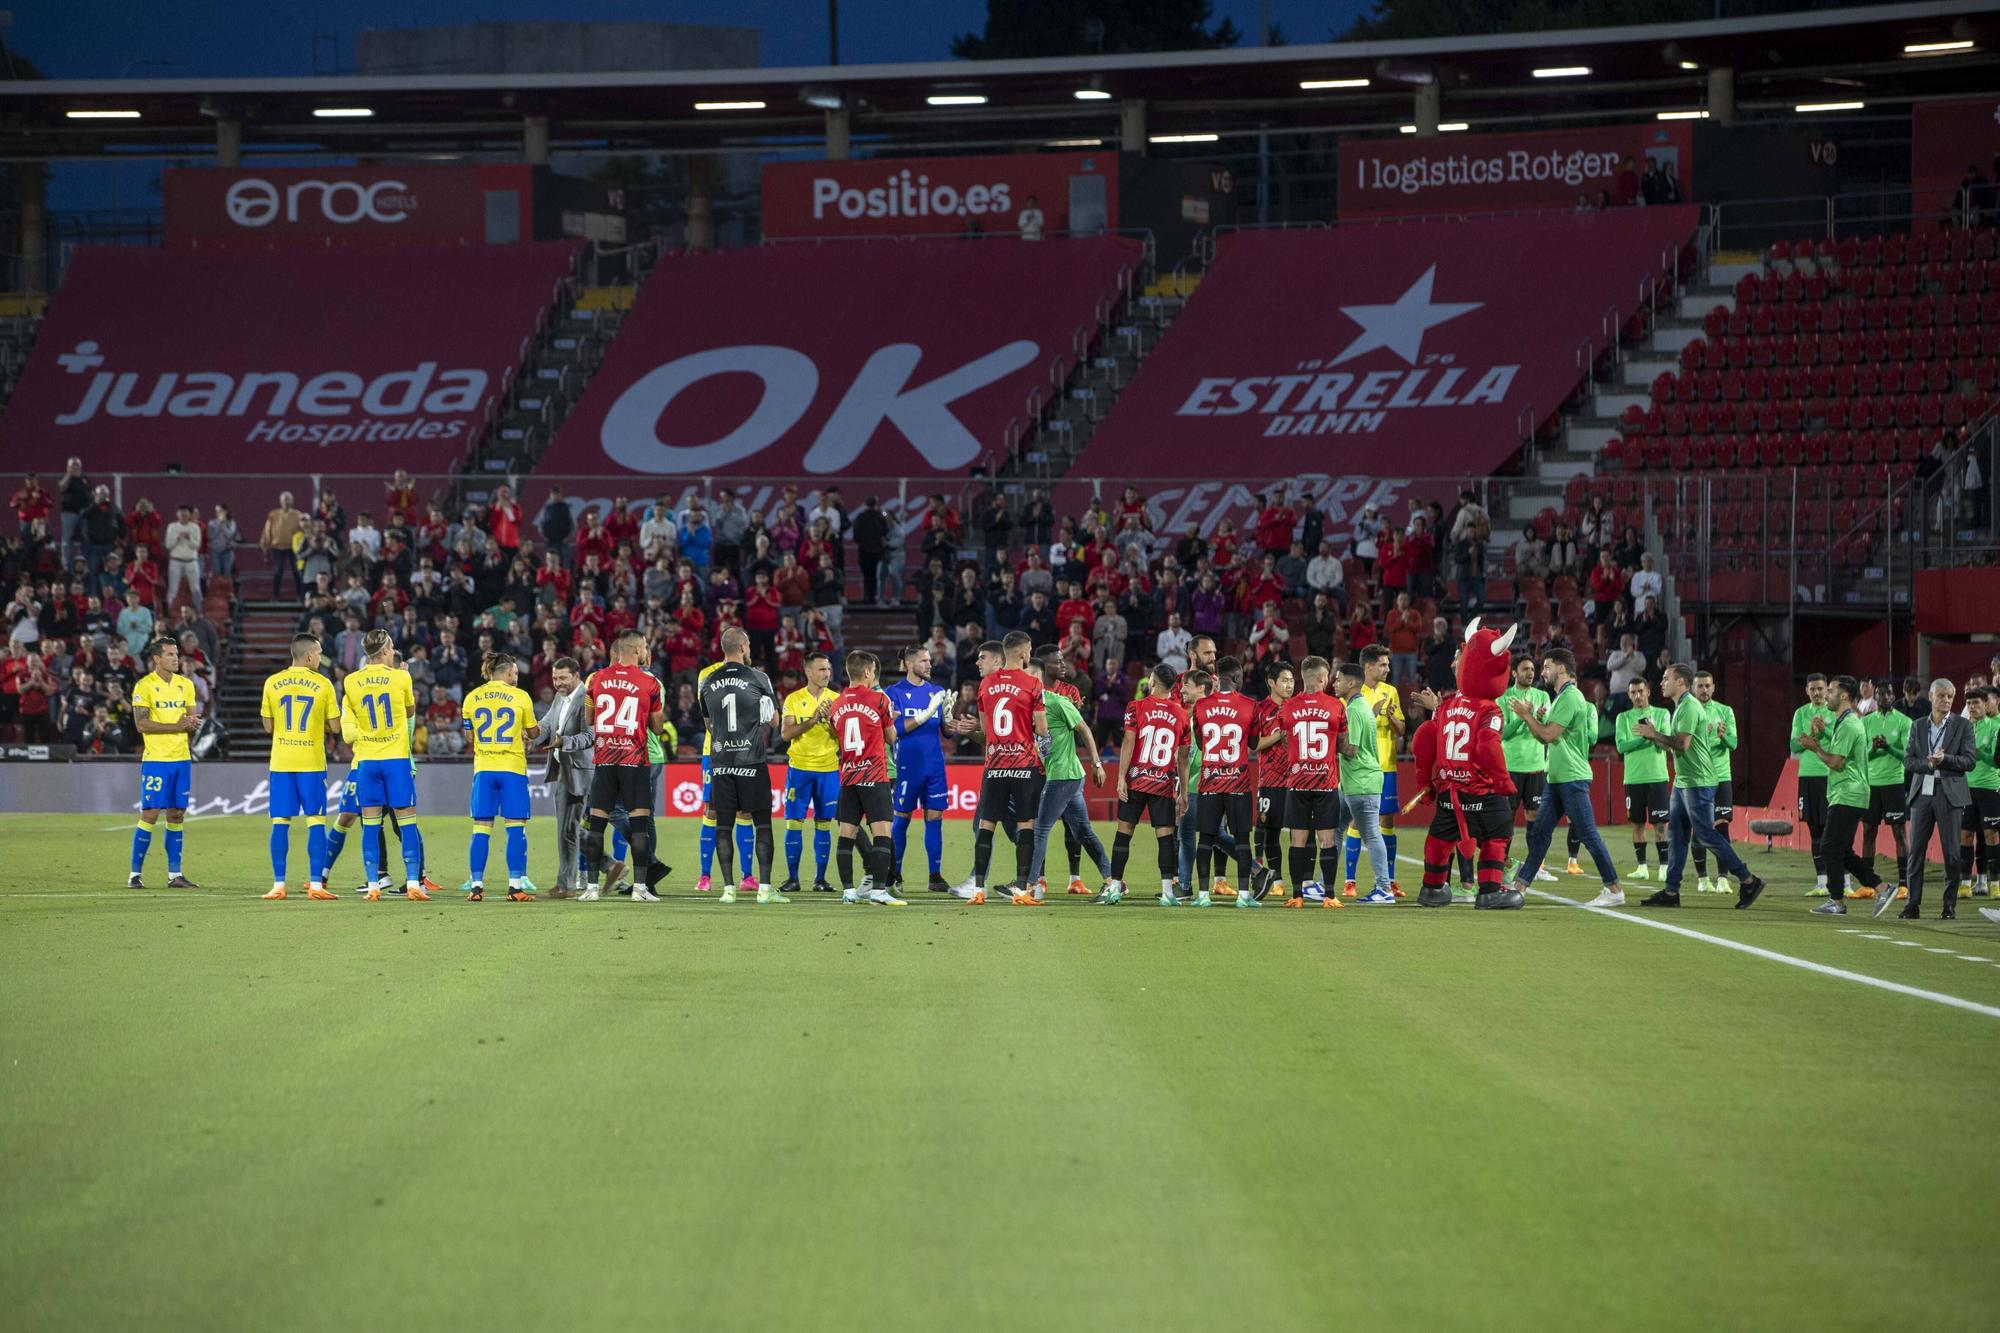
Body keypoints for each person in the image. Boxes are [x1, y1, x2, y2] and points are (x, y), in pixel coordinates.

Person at [1632, 663, 1765, 910]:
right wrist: (1655, 736)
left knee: (1705, 834)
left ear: (1680, 682)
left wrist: (1655, 735)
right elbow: (1675, 745)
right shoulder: (1681, 707)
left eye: (1665, 678)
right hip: (1685, 781)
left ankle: (1748, 879)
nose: (1662, 683)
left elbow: (1682, 744)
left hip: (1699, 781)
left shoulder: (1689, 707)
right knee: (1678, 836)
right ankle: (1671, 891)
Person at [1408, 620, 1520, 909]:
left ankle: (1431, 888)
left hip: (1448, 789)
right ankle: (1490, 891)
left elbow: (1424, 739)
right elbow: (1486, 746)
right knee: (1498, 834)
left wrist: (1424, 782)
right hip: (1479, 789)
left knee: (1440, 838)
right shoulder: (1489, 708)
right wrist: (1503, 780)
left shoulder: (1445, 705)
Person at [1506, 648, 1623, 905]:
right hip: (1557, 778)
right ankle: (1520, 886)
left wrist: (1527, 716)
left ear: (1561, 668)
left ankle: (1614, 889)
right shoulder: (1561, 697)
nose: (1543, 672)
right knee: (1539, 834)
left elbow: (1548, 736)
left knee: (1588, 834)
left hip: (1571, 777)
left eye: (1547, 666)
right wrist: (1533, 719)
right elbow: (1545, 734)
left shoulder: (1570, 697)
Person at [947, 632, 1049, 903]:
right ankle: (1022, 890)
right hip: (1024, 765)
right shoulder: (1032, 683)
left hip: (994, 766)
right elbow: (1041, 728)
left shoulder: (986, 684)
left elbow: (986, 729)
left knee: (986, 825)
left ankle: (978, 890)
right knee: (1026, 826)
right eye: (1029, 650)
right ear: (1024, 652)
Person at [579, 630, 669, 903]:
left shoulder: (595, 678)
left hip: (605, 760)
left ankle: (591, 889)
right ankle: (640, 890)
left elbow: (590, 718)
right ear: (638, 649)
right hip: (634, 760)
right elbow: (657, 727)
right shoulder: (649, 682)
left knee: (596, 826)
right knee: (639, 825)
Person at [1098, 660, 1189, 905]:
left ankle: (1115, 887)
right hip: (1163, 784)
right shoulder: (1181, 713)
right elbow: (1183, 757)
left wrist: (1120, 777)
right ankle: (1168, 892)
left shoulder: (1136, 706)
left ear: (1153, 682)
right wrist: (1184, 793)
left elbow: (1129, 742)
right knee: (1165, 837)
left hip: (1137, 780)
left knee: (1124, 833)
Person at [700, 628, 781, 903]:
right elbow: (774, 721)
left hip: (721, 762)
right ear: (744, 646)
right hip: (752, 761)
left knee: (723, 825)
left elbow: (708, 723)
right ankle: (765, 891)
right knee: (762, 825)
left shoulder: (708, 681)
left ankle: (728, 890)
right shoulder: (758, 677)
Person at [1794, 675, 1885, 916]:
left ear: (1844, 695)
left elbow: (1835, 762)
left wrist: (1815, 748)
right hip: (1847, 792)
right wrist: (1822, 736)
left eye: (1831, 691)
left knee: (1829, 847)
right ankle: (1881, 887)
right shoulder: (1844, 722)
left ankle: (1837, 901)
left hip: (1849, 792)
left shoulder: (1848, 724)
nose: (1827, 695)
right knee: (1841, 849)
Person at [1023, 656, 1111, 899]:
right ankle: (1112, 880)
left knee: (1040, 829)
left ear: (1038, 678)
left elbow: (1084, 729)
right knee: (1083, 831)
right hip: (1063, 776)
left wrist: (1096, 763)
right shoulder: (1028, 707)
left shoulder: (1057, 702)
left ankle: (1030, 887)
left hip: (1064, 776)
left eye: (1029, 675)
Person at [258, 633, 339, 900]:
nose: (320, 658)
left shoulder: (272, 682)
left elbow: (268, 726)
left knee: (280, 823)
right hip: (311, 763)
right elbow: (336, 727)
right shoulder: (323, 684)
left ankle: (278, 885)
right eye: (318, 653)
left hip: (281, 762)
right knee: (315, 822)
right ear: (308, 656)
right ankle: (316, 886)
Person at [460, 651, 541, 901]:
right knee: (515, 829)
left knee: (480, 830)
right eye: (515, 673)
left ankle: (476, 887)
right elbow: (534, 732)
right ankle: (515, 888)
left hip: (484, 770)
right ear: (507, 672)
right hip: (512, 770)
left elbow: (468, 737)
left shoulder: (472, 698)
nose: (517, 677)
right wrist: (526, 734)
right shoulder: (521, 697)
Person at [827, 650, 905, 906]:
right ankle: (879, 891)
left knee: (846, 834)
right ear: (869, 672)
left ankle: (848, 891)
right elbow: (891, 737)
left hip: (848, 776)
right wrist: (891, 720)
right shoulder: (879, 700)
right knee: (882, 832)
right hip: (874, 774)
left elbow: (835, 734)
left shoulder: (836, 703)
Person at [1895, 678, 1976, 920]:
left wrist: (1946, 759)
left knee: (1952, 853)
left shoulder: (1963, 726)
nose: (1947, 700)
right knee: (1916, 852)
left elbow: (1970, 761)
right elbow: (1908, 761)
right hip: (1922, 793)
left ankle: (1949, 906)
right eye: (1941, 695)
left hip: (1949, 793)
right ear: (1930, 697)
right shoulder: (1918, 726)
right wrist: (1928, 763)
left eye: (1950, 696)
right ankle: (1912, 905)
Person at [127, 638, 202, 890]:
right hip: (157, 760)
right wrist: (177, 725)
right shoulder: (144, 686)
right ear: (157, 659)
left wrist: (192, 724)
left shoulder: (186, 685)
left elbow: (191, 718)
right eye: (170, 654)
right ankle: (134, 874)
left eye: (176, 654)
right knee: (149, 814)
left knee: (177, 814)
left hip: (181, 759)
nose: (176, 658)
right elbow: (141, 724)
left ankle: (175, 875)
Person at [1276, 656, 1348, 906]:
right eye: (1327, 676)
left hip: (1297, 782)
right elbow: (1341, 744)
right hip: (1326, 783)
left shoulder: (1288, 706)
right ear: (1320, 677)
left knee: (1298, 841)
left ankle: (1296, 896)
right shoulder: (1336, 706)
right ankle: (1330, 895)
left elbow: (1285, 740)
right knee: (1327, 840)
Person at [1190, 658, 1259, 908]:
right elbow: (1252, 743)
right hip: (1238, 783)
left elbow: (1200, 743)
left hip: (1210, 783)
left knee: (1205, 840)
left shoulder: (1201, 706)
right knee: (1241, 839)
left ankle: (1203, 895)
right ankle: (1243, 895)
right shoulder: (1251, 705)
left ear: (1218, 676)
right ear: (1238, 677)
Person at [884, 644, 952, 893]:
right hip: (907, 768)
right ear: (910, 664)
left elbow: (946, 732)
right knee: (901, 820)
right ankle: (896, 874)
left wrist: (948, 716)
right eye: (924, 661)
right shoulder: (893, 693)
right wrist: (925, 714)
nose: (929, 665)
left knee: (935, 819)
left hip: (935, 767)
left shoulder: (938, 691)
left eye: (929, 660)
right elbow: (894, 730)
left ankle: (935, 876)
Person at [1342, 644, 1405, 898]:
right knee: (1358, 822)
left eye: (1387, 664)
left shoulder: (1391, 692)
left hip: (1386, 765)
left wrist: (1390, 716)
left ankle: (1389, 881)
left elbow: (1401, 730)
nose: (1387, 668)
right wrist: (1373, 711)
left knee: (1387, 822)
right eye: (1382, 664)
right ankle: (1350, 881)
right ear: (1368, 667)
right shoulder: (1354, 693)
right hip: (1360, 769)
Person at [778, 652, 842, 893]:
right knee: (794, 823)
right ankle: (793, 878)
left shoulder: (837, 700)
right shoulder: (794, 699)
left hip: (828, 770)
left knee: (824, 823)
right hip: (800, 770)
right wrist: (814, 720)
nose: (827, 673)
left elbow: (843, 738)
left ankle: (820, 879)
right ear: (808, 672)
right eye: (822, 669)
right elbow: (786, 734)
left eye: (828, 669)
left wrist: (832, 721)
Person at [1332, 661, 1392, 903]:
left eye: (1338, 679)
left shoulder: (1354, 710)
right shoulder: (1357, 706)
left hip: (1361, 781)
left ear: (1351, 683)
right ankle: (1323, 882)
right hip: (1352, 783)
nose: (1334, 683)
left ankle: (1384, 889)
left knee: (1371, 835)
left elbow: (1351, 749)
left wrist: (1329, 740)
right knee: (1334, 828)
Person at [1497, 654, 1556, 885]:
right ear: (1514, 673)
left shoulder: (1542, 696)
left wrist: (1537, 717)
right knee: (1507, 818)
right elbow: (1503, 734)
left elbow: (1547, 728)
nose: (1530, 673)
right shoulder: (1504, 698)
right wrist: (1524, 717)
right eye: (1525, 669)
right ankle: (1503, 864)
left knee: (1535, 816)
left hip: (1535, 766)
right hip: (1511, 766)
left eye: (1532, 669)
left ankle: (1536, 866)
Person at [539, 657, 593, 898]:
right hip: (564, 768)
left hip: (580, 770)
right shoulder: (560, 698)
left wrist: (566, 742)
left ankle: (567, 885)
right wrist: (530, 734)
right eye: (554, 678)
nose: (557, 683)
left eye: (562, 678)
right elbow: (547, 725)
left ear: (576, 676)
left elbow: (590, 735)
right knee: (568, 828)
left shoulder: (587, 698)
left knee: (568, 829)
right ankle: (610, 866)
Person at [1857, 676, 1912, 902]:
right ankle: (1869, 884)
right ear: (1875, 696)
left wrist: (1888, 748)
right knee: (1869, 832)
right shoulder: (1865, 722)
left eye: (1889, 693)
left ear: (1894, 695)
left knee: (1899, 832)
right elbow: (1860, 756)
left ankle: (1903, 884)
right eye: (1881, 693)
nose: (1885, 697)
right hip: (1871, 785)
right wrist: (1874, 749)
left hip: (1894, 784)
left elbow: (1908, 757)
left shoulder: (1904, 722)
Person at [1688, 670, 1742, 894]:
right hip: (1698, 778)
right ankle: (1702, 879)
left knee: (1722, 827)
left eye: (1707, 686)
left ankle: (1722, 878)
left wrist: (1722, 737)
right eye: (1700, 686)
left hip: (1721, 777)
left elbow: (1733, 744)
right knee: (1699, 828)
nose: (1704, 690)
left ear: (1713, 687)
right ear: (1693, 688)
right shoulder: (1688, 711)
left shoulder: (1724, 711)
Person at [1615, 677, 1673, 882]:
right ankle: (1642, 867)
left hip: (1657, 777)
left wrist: (1654, 733)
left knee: (1660, 826)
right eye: (1633, 692)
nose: (1638, 696)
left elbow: (1666, 745)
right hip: (1633, 779)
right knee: (1637, 825)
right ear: (1629, 695)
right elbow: (1621, 747)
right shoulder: (1623, 718)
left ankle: (1664, 867)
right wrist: (1644, 738)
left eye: (1641, 691)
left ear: (1648, 691)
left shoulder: (1662, 714)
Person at [1250, 660, 1295, 900]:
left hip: (1298, 779)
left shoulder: (1297, 707)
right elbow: (1254, 744)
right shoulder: (1260, 709)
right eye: (1284, 680)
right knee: (1270, 833)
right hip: (1270, 780)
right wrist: (1279, 736)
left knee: (1299, 832)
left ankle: (1304, 881)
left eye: (1291, 680)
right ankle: (1277, 880)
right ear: (1271, 683)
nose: (1289, 685)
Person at [1790, 674, 1836, 894]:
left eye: (1820, 688)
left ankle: (1839, 880)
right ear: (1806, 691)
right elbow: (1794, 746)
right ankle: (1821, 881)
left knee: (1831, 829)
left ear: (1827, 690)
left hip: (1829, 776)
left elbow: (1838, 742)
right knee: (1814, 829)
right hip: (1807, 776)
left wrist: (1822, 731)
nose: (1817, 693)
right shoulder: (1800, 713)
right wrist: (1810, 733)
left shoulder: (1834, 712)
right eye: (1812, 689)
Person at [1967, 687, 2000, 894]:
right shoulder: (1968, 725)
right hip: (1972, 787)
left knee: (1991, 834)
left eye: (1984, 701)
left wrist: (1981, 755)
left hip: (1992, 785)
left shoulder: (1996, 727)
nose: (1980, 706)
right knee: (1977, 833)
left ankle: (1994, 882)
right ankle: (1980, 880)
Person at [261, 491, 306, 599]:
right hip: (278, 547)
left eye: (289, 499)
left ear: (292, 501)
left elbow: (303, 532)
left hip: (293, 548)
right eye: (285, 499)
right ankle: (275, 596)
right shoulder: (273, 514)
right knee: (278, 572)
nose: (287, 501)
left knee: (296, 572)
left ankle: (300, 596)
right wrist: (265, 549)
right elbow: (267, 532)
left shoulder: (298, 515)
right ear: (280, 501)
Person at [164, 505, 204, 607]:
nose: (183, 517)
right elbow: (168, 545)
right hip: (175, 560)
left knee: (195, 587)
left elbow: (196, 546)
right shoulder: (172, 527)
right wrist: (178, 538)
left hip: (191, 560)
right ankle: (170, 609)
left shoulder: (195, 527)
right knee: (173, 588)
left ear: (190, 516)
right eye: (181, 515)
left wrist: (188, 538)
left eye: (186, 515)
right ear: (177, 515)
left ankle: (199, 610)